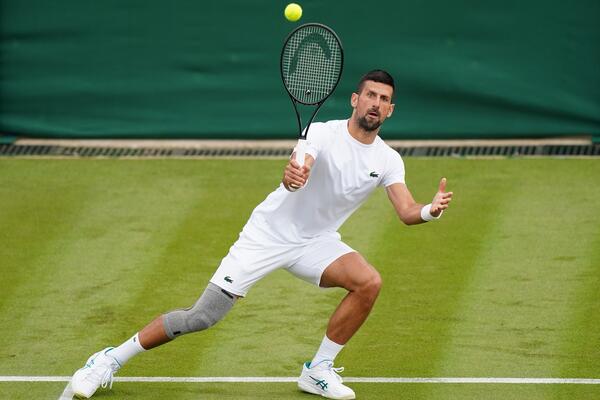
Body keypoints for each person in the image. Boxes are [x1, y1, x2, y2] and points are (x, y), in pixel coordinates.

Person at [70, 69, 453, 400]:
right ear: (355, 99)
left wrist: (428, 210)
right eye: (370, 94)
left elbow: (406, 211)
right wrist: (293, 177)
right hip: (268, 234)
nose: (375, 103)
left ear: (390, 110)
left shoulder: (387, 159)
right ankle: (107, 359)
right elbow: (298, 166)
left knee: (368, 282)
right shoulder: (319, 132)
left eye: (383, 99)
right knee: (203, 316)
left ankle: (317, 370)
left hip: (316, 241)